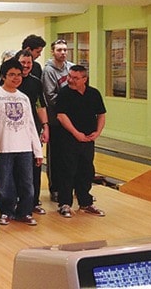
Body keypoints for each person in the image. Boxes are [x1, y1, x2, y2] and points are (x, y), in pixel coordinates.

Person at [0, 58, 43, 226]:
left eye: (18, 75)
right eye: (11, 75)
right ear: (3, 77)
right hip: (4, 148)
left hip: (25, 148)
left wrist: (37, 151)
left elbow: (31, 124)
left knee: (27, 183)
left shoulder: (23, 98)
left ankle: (24, 212)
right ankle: (6, 212)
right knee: (6, 183)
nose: (16, 78)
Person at [0, 50, 50, 214]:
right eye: (23, 62)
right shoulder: (4, 85)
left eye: (29, 63)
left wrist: (45, 126)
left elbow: (40, 105)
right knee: (11, 172)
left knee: (33, 169)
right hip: (11, 135)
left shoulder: (36, 82)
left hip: (31, 130)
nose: (26, 66)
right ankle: (10, 205)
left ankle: (31, 203)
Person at [56, 65, 106, 218]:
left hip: (87, 140)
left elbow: (101, 114)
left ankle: (85, 202)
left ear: (84, 79)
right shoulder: (64, 93)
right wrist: (76, 133)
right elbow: (61, 116)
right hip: (68, 139)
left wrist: (97, 132)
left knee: (86, 170)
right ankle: (64, 203)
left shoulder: (93, 94)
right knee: (67, 170)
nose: (70, 80)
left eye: (75, 78)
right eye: (70, 76)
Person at [42, 39, 74, 203]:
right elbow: (50, 96)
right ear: (53, 52)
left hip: (71, 118)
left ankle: (70, 188)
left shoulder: (71, 68)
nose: (63, 52)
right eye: (59, 50)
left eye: (65, 50)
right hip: (55, 119)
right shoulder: (48, 70)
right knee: (56, 156)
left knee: (70, 155)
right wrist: (69, 104)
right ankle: (55, 188)